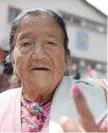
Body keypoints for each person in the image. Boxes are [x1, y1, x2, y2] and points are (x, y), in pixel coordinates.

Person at [0, 8, 107, 132]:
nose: (39, 54)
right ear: (12, 59)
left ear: (66, 58)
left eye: (50, 43)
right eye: (26, 44)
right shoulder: (2, 104)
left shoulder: (99, 96)